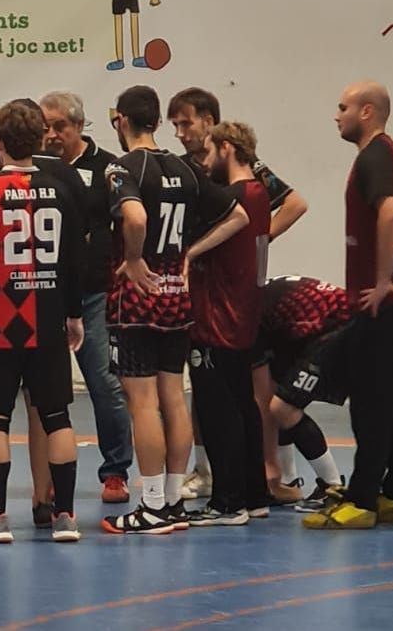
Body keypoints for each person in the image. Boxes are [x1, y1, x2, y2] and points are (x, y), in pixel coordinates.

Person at [101, 85, 248, 535]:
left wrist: (132, 258)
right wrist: (188, 254)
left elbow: (136, 217)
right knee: (174, 397)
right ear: (158, 121)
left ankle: (149, 506)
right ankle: (172, 500)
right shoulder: (185, 170)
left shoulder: (122, 167)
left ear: (121, 120)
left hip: (138, 297)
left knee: (142, 402)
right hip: (176, 297)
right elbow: (239, 216)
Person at [0, 101, 87, 543]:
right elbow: (73, 261)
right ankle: (66, 516)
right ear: (39, 140)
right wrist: (74, 315)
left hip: (0, 320)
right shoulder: (60, 188)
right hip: (48, 318)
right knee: (57, 416)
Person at [167, 86, 308, 502]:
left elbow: (292, 205)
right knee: (217, 393)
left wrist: (254, 242)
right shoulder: (188, 170)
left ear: (211, 125)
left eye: (186, 123)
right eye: (175, 125)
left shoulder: (243, 179)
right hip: (219, 300)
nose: (181, 133)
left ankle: (259, 478)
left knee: (241, 393)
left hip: (230, 305)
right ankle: (218, 474)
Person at [304, 80, 393, 529]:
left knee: (373, 401)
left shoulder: (375, 157)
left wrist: (381, 281)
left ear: (367, 112)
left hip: (392, 300)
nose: (336, 115)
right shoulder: (388, 155)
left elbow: (392, 212)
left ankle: (361, 500)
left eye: (343, 107)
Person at [40, 90, 133, 503]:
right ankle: (47, 478)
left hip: (94, 294)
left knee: (104, 383)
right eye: (45, 127)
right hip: (44, 294)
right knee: (42, 390)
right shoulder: (35, 168)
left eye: (60, 126)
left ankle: (115, 472)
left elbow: (129, 222)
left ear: (79, 126)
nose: (52, 134)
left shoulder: (108, 168)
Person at [184, 121, 270, 526]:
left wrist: (188, 254)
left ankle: (228, 501)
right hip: (244, 313)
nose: (205, 161)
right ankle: (254, 495)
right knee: (242, 403)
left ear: (226, 148)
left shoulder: (233, 199)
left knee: (217, 409)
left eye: (209, 151)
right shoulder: (260, 192)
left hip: (218, 316)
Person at [253, 276, 350, 512]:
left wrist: (269, 463)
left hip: (338, 328)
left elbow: (262, 400)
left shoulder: (248, 317)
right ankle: (288, 481)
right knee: (281, 397)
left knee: (283, 408)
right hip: (324, 325)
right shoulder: (259, 304)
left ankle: (332, 486)